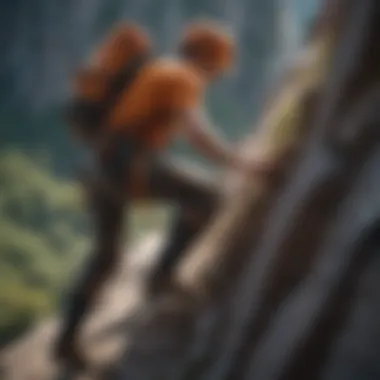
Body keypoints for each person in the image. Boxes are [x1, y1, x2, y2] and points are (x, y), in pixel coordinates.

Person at [55, 20, 271, 370]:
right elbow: (197, 134)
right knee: (209, 197)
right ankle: (161, 276)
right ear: (209, 61)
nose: (216, 76)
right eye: (218, 68)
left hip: (99, 166)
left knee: (105, 256)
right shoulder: (184, 77)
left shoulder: (158, 69)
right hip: (130, 165)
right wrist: (243, 163)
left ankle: (65, 342)